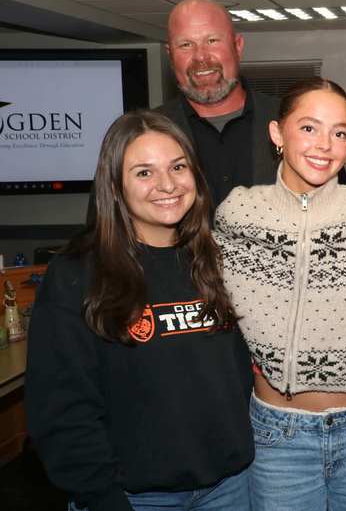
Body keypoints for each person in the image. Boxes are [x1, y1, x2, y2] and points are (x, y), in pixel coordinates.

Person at [25, 111, 253, 511]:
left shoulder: (216, 260)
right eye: (144, 172)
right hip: (132, 498)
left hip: (230, 490)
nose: (167, 184)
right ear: (115, 186)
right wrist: (103, 498)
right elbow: (61, 408)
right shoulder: (78, 273)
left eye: (177, 167)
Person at [213, 77, 346, 511]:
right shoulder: (238, 212)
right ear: (277, 133)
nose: (324, 145)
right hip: (278, 435)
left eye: (339, 133)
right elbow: (206, 297)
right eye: (309, 128)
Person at [161, 0, 281, 207]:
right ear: (170, 56)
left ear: (238, 46)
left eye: (212, 41)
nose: (201, 57)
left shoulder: (290, 120)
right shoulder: (144, 132)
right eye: (186, 45)